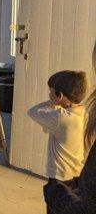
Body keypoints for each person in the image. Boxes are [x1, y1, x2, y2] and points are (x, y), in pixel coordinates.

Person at [44, 43, 96, 213]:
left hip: (61, 181)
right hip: (73, 179)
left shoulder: (63, 117)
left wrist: (56, 195)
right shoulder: (82, 113)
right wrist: (80, 183)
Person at [28, 70, 88, 212]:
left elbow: (33, 111)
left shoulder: (60, 117)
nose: (49, 94)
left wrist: (52, 102)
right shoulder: (83, 113)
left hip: (59, 178)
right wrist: (58, 101)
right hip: (76, 177)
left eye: (51, 91)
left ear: (60, 95)